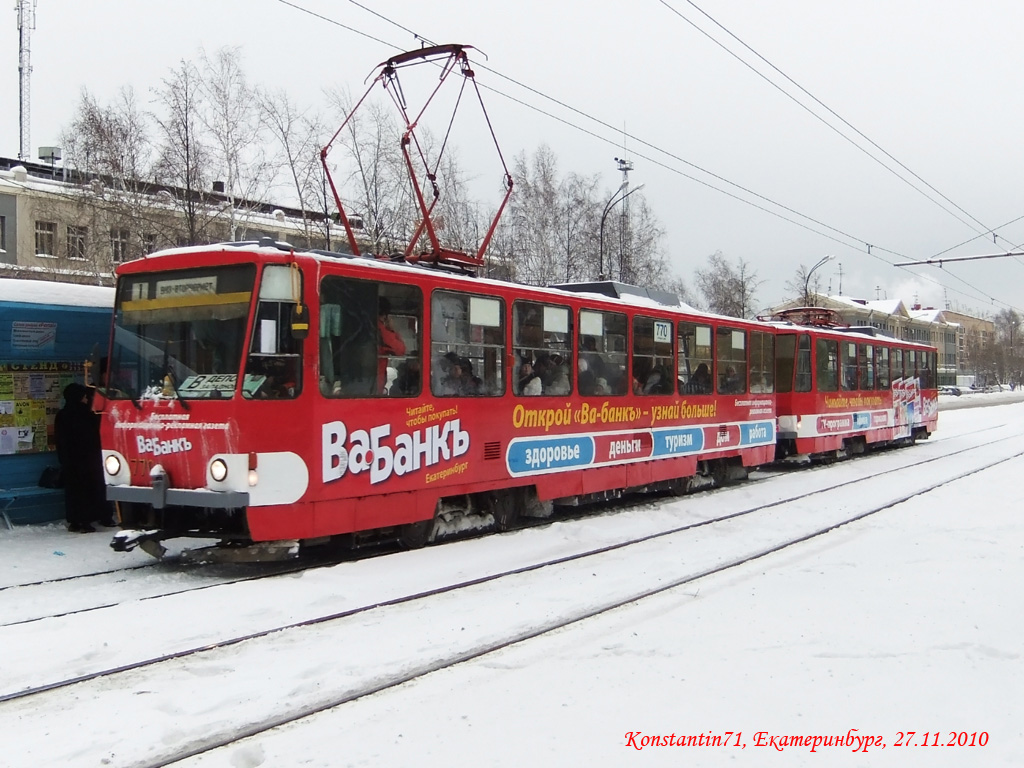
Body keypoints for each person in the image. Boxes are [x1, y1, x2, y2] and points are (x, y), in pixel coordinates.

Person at [54, 383, 113, 532]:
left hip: (69, 461)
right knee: (90, 491)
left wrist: (63, 459)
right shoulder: (87, 414)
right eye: (85, 396)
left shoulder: (62, 415)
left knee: (73, 493)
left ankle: (74, 521)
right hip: (89, 462)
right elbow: (94, 437)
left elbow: (59, 440)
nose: (87, 399)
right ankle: (88, 521)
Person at [377, 298, 406, 393]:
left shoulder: (367, 326)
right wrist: (392, 329)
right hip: (375, 381)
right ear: (385, 315)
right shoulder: (380, 330)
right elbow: (400, 350)